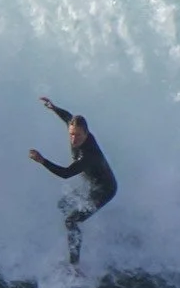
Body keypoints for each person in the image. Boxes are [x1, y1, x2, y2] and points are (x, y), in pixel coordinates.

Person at [29, 96, 116, 266]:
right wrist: (53, 107)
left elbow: (66, 173)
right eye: (71, 134)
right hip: (91, 184)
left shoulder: (89, 155)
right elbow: (67, 116)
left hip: (105, 190)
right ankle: (76, 234)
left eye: (77, 136)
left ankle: (75, 267)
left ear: (86, 133)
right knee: (62, 205)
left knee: (71, 221)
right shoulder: (73, 125)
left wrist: (42, 160)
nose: (73, 139)